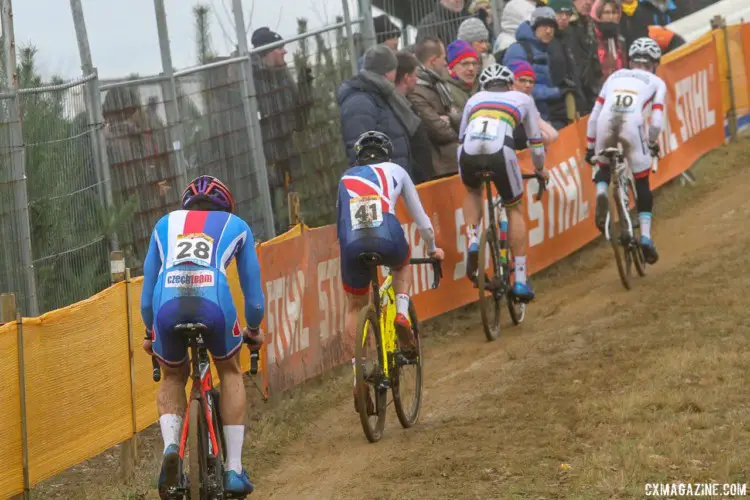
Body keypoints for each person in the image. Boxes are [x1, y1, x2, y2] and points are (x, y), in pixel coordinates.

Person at [141, 175, 265, 496]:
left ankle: (172, 448)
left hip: (167, 303)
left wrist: (148, 331)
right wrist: (253, 330)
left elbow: (145, 299)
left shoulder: (164, 224)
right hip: (214, 300)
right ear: (225, 205)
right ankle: (234, 469)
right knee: (229, 370)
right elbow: (254, 300)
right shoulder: (235, 225)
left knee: (171, 377)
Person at [336, 131, 444, 410]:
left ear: (358, 156)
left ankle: (358, 373)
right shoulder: (397, 170)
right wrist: (432, 248)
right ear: (388, 154)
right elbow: (421, 220)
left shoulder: (345, 178)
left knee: (353, 307)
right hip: (388, 235)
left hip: (352, 244)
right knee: (401, 263)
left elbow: (340, 228)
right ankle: (401, 313)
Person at [458, 64, 549, 302]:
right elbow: (536, 144)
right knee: (514, 208)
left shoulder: (474, 99)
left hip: (468, 152)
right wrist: (540, 169)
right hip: (500, 151)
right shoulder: (522, 97)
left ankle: (473, 241)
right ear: (510, 85)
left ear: (484, 86)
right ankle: (519, 280)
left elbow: (460, 140)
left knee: (473, 193)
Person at [584, 37, 666, 264]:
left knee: (602, 163)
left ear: (631, 61)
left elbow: (593, 118)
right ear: (654, 63)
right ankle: (646, 237)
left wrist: (590, 148)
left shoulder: (614, 76)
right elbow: (657, 122)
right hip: (632, 126)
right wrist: (650, 143)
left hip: (605, 122)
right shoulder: (656, 82)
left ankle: (601, 190)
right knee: (642, 181)